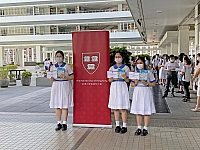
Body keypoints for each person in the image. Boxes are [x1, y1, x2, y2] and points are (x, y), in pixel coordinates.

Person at [130, 56, 156, 136]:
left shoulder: (148, 73)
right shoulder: (134, 73)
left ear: (144, 63)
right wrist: (135, 82)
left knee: (146, 110)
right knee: (138, 110)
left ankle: (145, 128)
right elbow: (131, 84)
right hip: (137, 91)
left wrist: (147, 83)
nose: (139, 64)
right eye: (137, 63)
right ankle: (139, 128)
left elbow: (154, 83)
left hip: (146, 91)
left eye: (140, 63)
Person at [49, 50, 74, 131]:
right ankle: (58, 123)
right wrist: (52, 79)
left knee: (64, 105)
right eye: (57, 56)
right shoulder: (53, 67)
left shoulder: (67, 66)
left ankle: (65, 123)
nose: (58, 58)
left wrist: (66, 77)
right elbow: (51, 76)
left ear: (63, 57)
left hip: (64, 85)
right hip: (56, 85)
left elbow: (72, 76)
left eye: (60, 56)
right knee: (57, 105)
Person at [108, 51, 130, 134]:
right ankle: (117, 125)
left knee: (123, 108)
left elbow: (128, 80)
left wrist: (125, 77)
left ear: (122, 58)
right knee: (115, 108)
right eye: (116, 57)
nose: (117, 58)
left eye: (119, 57)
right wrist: (111, 78)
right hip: (114, 87)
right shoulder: (111, 68)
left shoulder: (126, 68)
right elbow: (109, 80)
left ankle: (124, 126)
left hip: (122, 86)